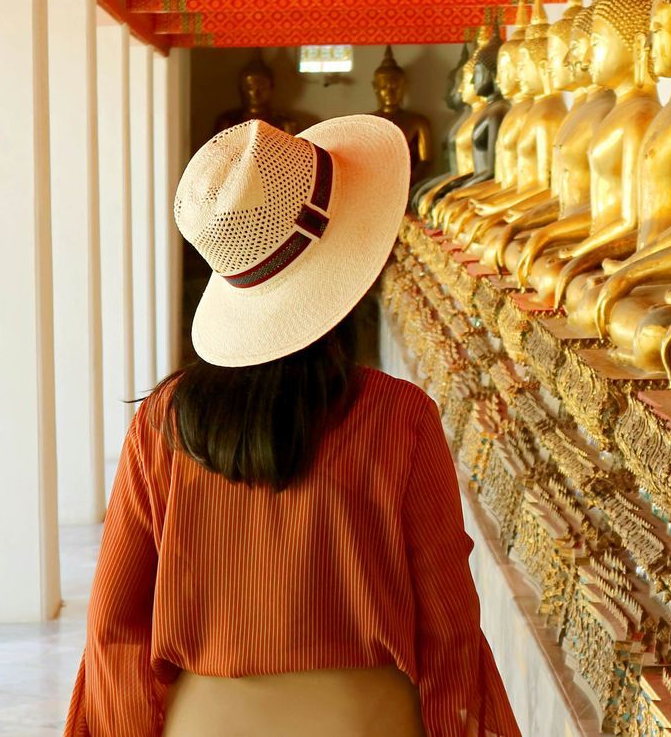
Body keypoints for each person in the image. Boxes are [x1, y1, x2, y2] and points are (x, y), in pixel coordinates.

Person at [66, 115, 519, 737]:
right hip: (367, 722)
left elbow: (115, 623)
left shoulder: (164, 424)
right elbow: (447, 623)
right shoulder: (400, 418)